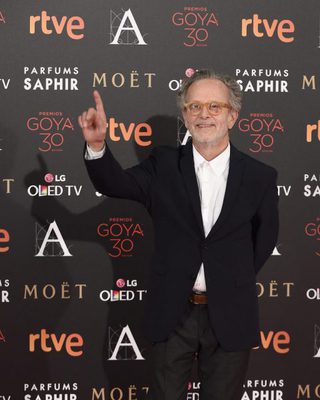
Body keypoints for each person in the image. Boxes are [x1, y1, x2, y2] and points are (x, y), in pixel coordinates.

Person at [78, 69, 279, 400]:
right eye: (194, 106)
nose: (204, 115)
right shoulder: (163, 164)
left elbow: (264, 240)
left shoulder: (260, 176)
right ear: (184, 115)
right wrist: (97, 146)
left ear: (233, 116)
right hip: (173, 313)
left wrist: (229, 278)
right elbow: (115, 183)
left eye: (214, 106)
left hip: (230, 314)